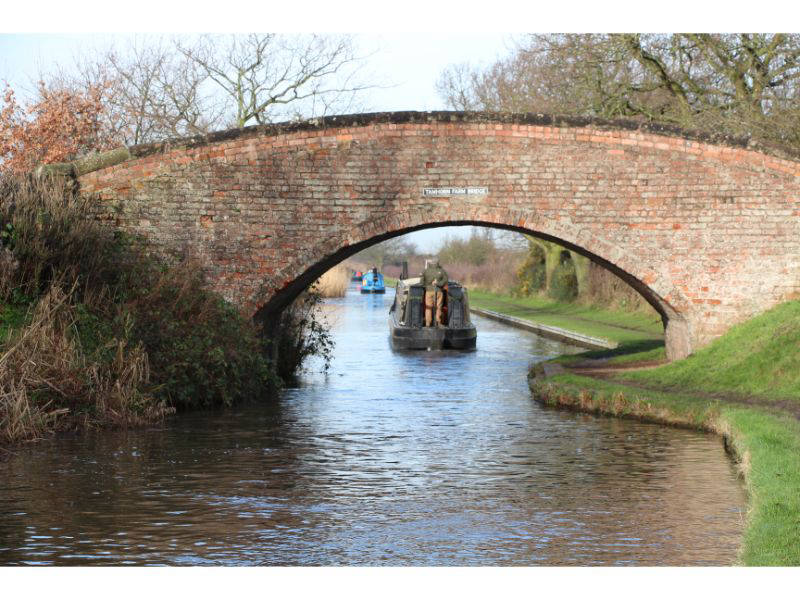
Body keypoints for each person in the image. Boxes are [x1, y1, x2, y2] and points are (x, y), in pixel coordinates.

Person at [420, 258, 448, 327]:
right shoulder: (442, 271)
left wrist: (426, 287)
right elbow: (446, 280)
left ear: (430, 263)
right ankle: (438, 322)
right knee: (439, 307)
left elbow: (421, 282)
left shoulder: (425, 271)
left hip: (429, 292)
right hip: (439, 291)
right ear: (437, 263)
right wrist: (438, 283)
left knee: (428, 307)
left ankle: (428, 323)